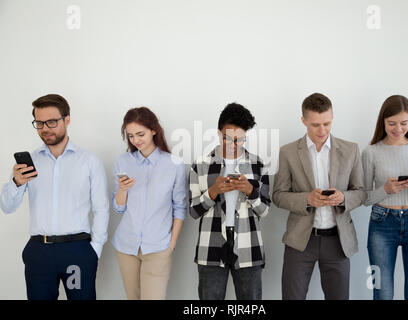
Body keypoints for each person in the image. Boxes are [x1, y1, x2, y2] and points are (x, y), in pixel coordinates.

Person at [0, 94, 109, 300]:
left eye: (51, 122)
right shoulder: (30, 162)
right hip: (39, 252)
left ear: (67, 120)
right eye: (39, 123)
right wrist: (16, 183)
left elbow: (101, 208)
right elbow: (6, 207)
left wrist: (94, 250)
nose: (45, 128)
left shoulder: (89, 161)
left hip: (77, 251)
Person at [272, 93, 365, 300]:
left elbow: (360, 192)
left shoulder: (351, 150)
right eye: (315, 125)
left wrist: (342, 198)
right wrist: (306, 199)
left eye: (327, 123)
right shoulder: (288, 152)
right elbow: (278, 195)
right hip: (300, 241)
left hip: (338, 241)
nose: (322, 130)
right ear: (304, 121)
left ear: (332, 117)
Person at [189, 103, 271, 300]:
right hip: (211, 247)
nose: (233, 145)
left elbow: (265, 211)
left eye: (239, 140)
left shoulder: (258, 164)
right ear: (219, 133)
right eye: (228, 138)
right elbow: (193, 211)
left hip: (248, 246)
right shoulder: (201, 164)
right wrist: (213, 192)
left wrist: (251, 192)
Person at [362, 95, 408, 300]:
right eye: (391, 123)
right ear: (382, 122)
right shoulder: (371, 151)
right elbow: (364, 198)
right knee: (382, 293)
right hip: (381, 224)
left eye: (404, 123)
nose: (398, 129)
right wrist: (385, 189)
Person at [111, 107, 187, 300]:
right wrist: (122, 190)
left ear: (154, 130)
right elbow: (119, 208)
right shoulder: (122, 162)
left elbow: (179, 208)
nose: (136, 140)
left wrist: (171, 245)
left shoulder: (174, 164)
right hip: (126, 245)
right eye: (130, 136)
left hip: (158, 246)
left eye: (140, 134)